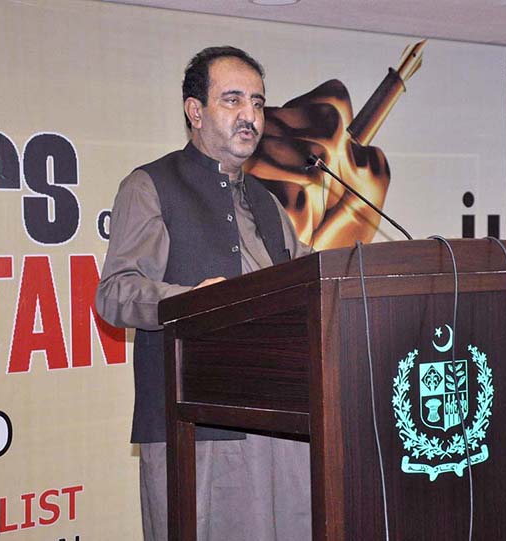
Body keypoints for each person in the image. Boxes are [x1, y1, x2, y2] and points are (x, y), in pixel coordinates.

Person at [96, 46, 312, 541]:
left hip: (287, 416)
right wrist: (193, 300)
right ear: (195, 111)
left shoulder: (267, 201)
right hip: (198, 427)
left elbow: (312, 279)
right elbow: (115, 294)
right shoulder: (150, 186)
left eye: (257, 103)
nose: (250, 116)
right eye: (232, 100)